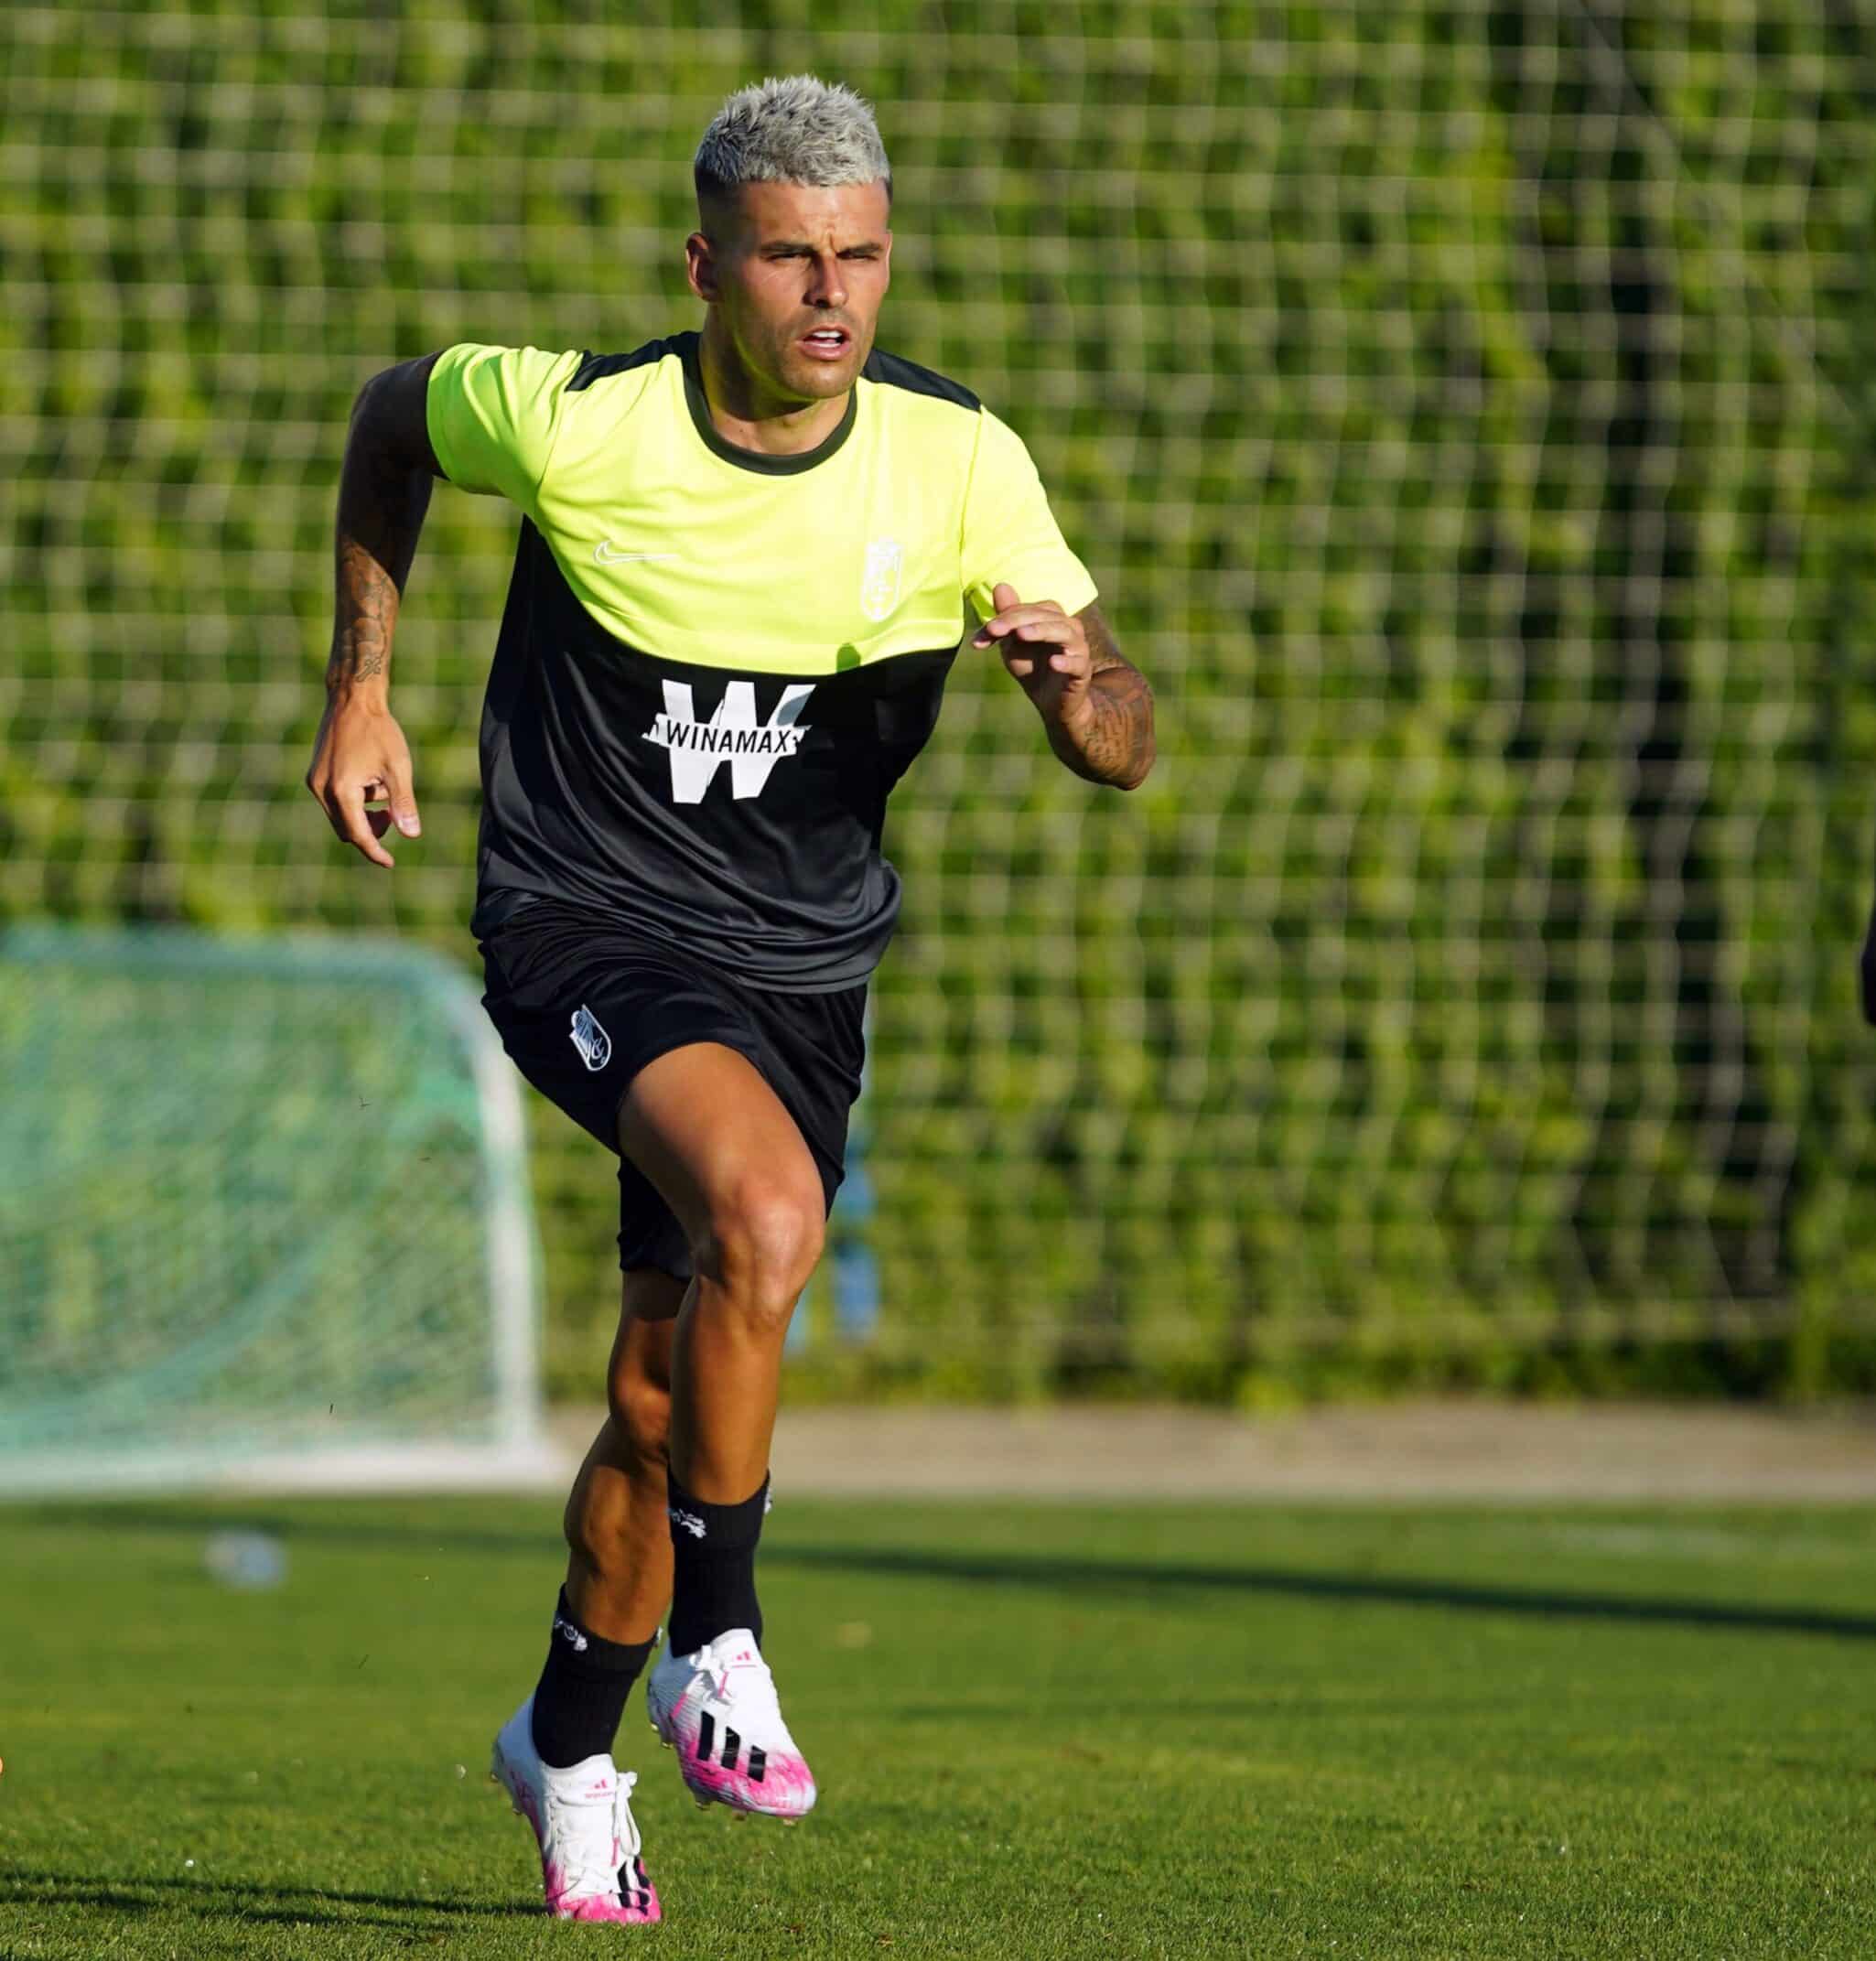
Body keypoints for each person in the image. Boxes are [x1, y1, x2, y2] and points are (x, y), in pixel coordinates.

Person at [306, 73, 1154, 1927]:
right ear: (708, 265)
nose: (828, 295)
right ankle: (722, 1638)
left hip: (799, 962)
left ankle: (565, 1742)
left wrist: (1062, 676)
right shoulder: (580, 418)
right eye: (787, 256)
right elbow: (390, 418)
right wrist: (359, 688)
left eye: (857, 256)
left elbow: (1121, 738)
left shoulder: (959, 461)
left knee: (653, 1391)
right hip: (582, 916)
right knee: (769, 1212)